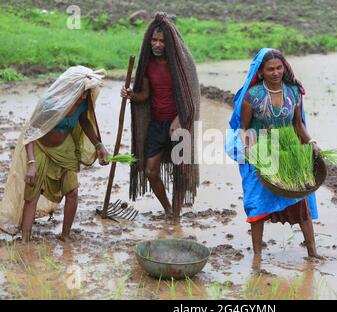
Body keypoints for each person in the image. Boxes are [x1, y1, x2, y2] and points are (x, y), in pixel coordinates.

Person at [225, 48, 321, 258]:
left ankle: (313, 253)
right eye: (270, 69)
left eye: (279, 68)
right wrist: (252, 152)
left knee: (301, 202)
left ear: (284, 68)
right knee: (257, 207)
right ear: (261, 72)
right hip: (261, 155)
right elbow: (244, 128)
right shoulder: (253, 96)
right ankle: (257, 258)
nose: (276, 72)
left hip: (288, 152)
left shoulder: (293, 92)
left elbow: (297, 124)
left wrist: (311, 142)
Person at [0, 66, 110, 241]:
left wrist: (98, 144)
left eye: (86, 92)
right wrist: (31, 163)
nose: (83, 96)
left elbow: (84, 122)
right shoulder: (50, 103)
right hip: (40, 148)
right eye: (81, 91)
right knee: (32, 195)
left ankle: (65, 236)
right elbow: (30, 132)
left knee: (73, 192)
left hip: (64, 148)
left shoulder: (83, 102)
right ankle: (26, 240)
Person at [121, 12, 200, 218]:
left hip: (179, 125)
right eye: (154, 40)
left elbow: (191, 97)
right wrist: (130, 95)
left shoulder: (181, 66)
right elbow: (145, 95)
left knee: (180, 173)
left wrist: (179, 119)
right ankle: (168, 210)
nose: (157, 44)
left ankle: (176, 212)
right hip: (156, 124)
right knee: (150, 171)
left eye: (161, 41)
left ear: (169, 43)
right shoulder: (148, 65)